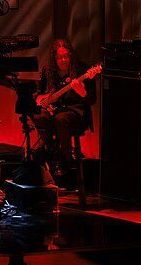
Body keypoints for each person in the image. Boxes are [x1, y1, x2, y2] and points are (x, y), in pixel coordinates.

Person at [31, 39, 96, 183]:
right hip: (54, 111)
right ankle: (51, 154)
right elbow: (39, 93)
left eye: (66, 56)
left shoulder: (82, 71)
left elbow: (92, 100)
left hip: (75, 113)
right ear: (54, 58)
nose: (64, 60)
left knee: (61, 119)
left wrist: (82, 92)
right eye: (60, 57)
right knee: (39, 117)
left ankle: (65, 161)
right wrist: (43, 101)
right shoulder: (48, 71)